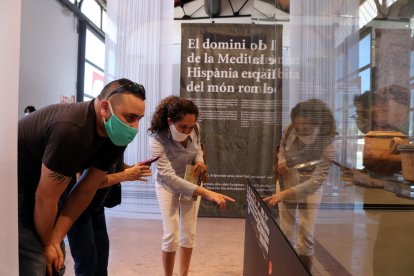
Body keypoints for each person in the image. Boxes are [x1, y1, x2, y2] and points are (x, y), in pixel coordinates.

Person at [18, 78, 146, 275]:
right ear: (105, 107)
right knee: (36, 259)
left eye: (139, 118)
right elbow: (45, 199)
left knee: (55, 260)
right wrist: (46, 244)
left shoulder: (116, 134)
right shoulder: (72, 130)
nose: (135, 128)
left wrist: (54, 239)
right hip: (16, 182)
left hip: (48, 187)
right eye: (130, 117)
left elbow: (86, 190)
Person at [148, 96, 235, 276]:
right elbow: (169, 177)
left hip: (191, 179)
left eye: (190, 127)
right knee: (171, 234)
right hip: (167, 185)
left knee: (188, 233)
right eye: (182, 127)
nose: (187, 131)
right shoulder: (156, 139)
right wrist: (206, 192)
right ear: (170, 121)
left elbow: (198, 150)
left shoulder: (195, 129)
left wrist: (200, 161)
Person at [263, 99, 337, 271]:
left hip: (310, 185)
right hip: (288, 178)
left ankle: (304, 271)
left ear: (318, 124)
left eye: (306, 128)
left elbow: (315, 182)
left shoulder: (328, 145)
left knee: (306, 235)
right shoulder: (290, 129)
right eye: (298, 128)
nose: (301, 132)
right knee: (286, 230)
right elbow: (282, 147)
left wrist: (284, 194)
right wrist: (281, 162)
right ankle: (283, 270)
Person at [66, 154, 151, 275]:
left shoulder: (118, 140)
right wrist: (125, 175)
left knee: (101, 256)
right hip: (77, 206)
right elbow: (85, 182)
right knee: (87, 259)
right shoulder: (90, 139)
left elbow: (112, 165)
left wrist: (133, 168)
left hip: (96, 205)